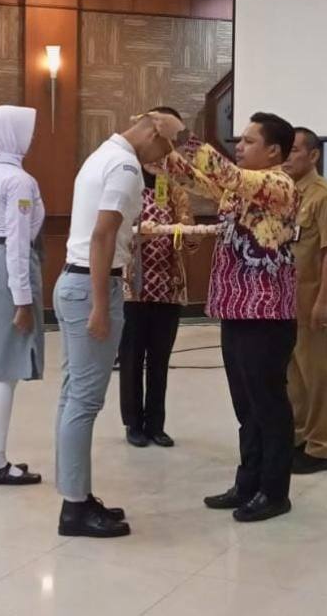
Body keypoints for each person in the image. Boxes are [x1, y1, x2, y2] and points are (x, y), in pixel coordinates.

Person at [153, 110, 298, 523]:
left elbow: (226, 174)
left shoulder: (278, 185)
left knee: (268, 404)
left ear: (274, 151)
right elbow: (193, 178)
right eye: (240, 140)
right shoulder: (238, 189)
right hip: (235, 309)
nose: (240, 146)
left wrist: (183, 135)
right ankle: (248, 482)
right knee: (245, 406)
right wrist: (159, 148)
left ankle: (274, 492)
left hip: (266, 313)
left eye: (250, 141)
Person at [54, 114, 173, 538]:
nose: (166, 156)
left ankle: (76, 494)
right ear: (153, 132)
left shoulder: (102, 155)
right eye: (168, 146)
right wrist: (102, 306)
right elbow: (103, 236)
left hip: (74, 281)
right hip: (93, 286)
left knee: (72, 396)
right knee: (84, 402)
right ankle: (74, 509)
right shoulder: (124, 166)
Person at [0, 105, 44, 486]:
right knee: (5, 373)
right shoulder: (19, 182)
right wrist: (22, 300)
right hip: (9, 268)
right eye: (26, 129)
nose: (32, 136)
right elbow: (17, 242)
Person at [119, 106, 198, 449]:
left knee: (160, 359)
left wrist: (186, 232)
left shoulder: (173, 185)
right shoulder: (126, 177)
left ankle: (156, 423)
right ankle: (133, 423)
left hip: (168, 284)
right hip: (132, 285)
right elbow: (113, 230)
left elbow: (189, 233)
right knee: (132, 356)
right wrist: (139, 235)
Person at [283, 127, 327, 474]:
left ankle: (322, 446)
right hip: (286, 297)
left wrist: (324, 301)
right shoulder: (286, 192)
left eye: (294, 150)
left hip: (311, 297)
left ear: (314, 155)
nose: (287, 157)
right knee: (294, 373)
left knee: (317, 372)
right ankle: (300, 435)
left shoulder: (326, 196)